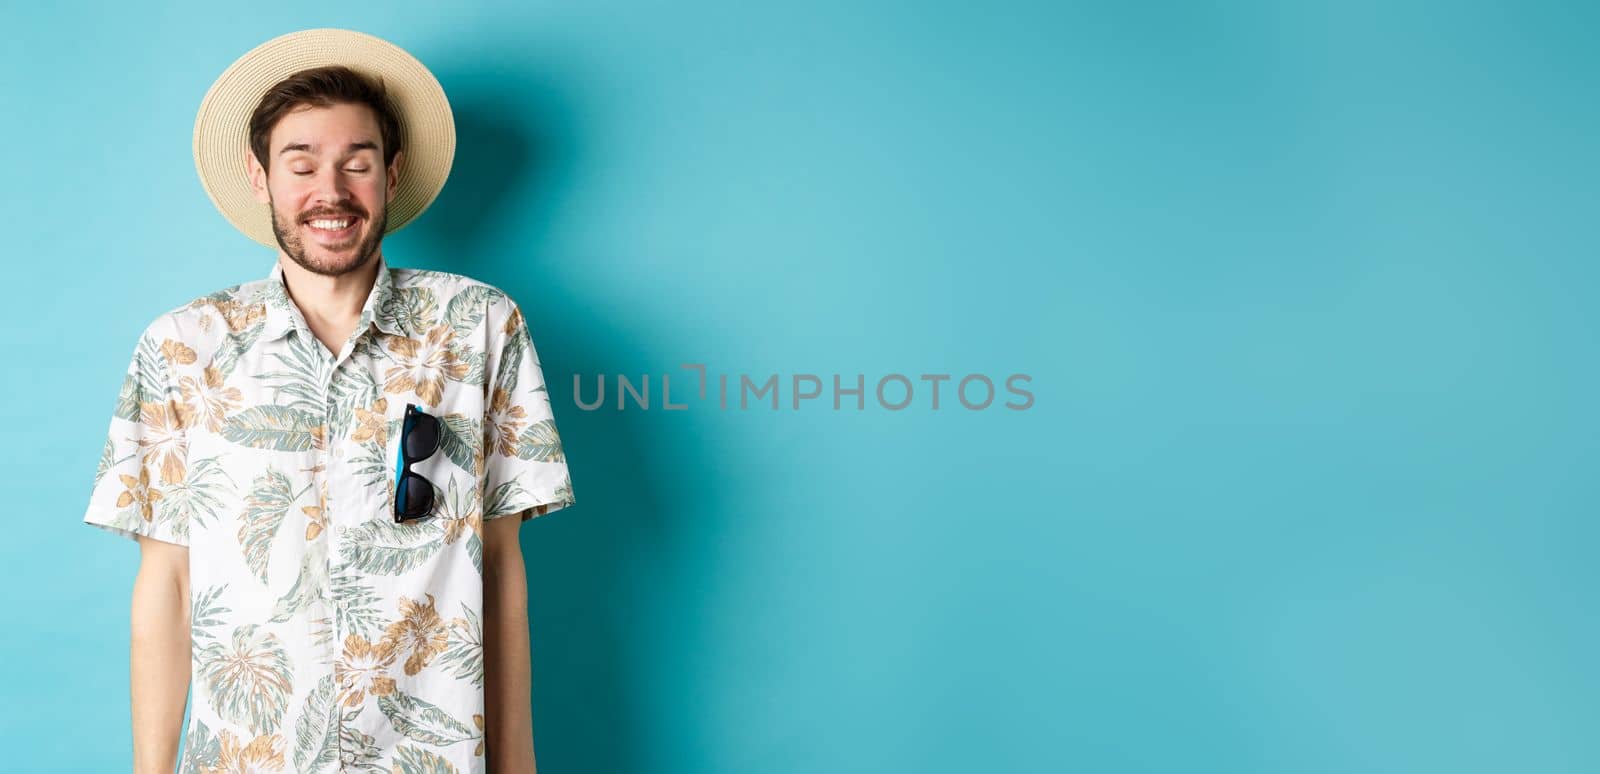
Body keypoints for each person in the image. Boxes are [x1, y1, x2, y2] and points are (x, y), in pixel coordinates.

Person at [80, 29, 574, 774]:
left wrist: (519, 765)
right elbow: (167, 586)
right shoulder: (182, 347)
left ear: (393, 174)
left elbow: (499, 571)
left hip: (429, 757)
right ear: (261, 178)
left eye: (358, 163)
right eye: (301, 164)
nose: (331, 193)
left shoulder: (479, 327)